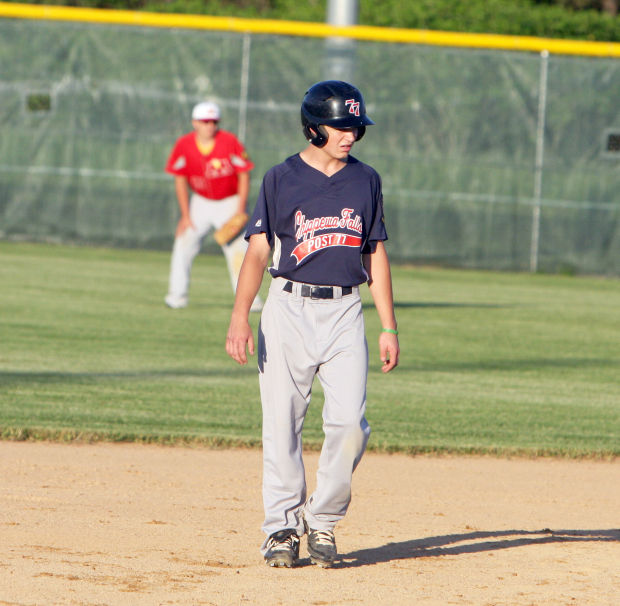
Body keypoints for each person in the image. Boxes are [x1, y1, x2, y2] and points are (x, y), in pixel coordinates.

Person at [225, 80, 400, 568]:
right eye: (341, 126)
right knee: (282, 423)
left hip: (345, 310)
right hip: (288, 310)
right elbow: (258, 250)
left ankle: (321, 522)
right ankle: (281, 528)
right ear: (313, 127)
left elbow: (375, 251)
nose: (350, 135)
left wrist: (388, 325)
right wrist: (241, 314)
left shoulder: (366, 180)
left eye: (355, 127)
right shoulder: (281, 178)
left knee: (349, 424)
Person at [164, 100, 263, 311]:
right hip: (200, 202)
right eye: (205, 121)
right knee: (183, 243)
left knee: (238, 251)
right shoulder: (184, 145)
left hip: (229, 200)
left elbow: (244, 174)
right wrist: (185, 215)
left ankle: (250, 301)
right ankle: (176, 297)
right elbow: (179, 179)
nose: (210, 125)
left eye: (213, 121)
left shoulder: (229, 142)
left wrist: (240, 210)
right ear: (195, 123)